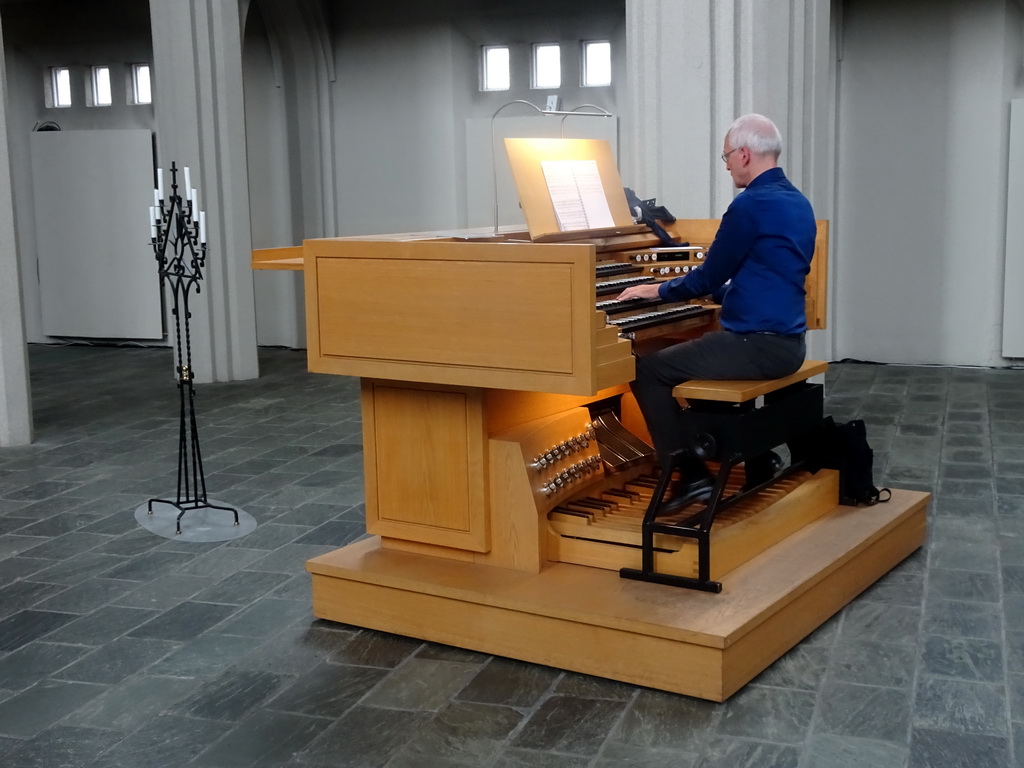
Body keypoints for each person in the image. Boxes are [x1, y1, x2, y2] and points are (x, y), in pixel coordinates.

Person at [616, 113, 816, 513]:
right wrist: (725, 295)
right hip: (788, 343)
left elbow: (705, 278)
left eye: (726, 156)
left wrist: (655, 289)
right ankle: (755, 456)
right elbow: (769, 274)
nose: (725, 165)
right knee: (701, 352)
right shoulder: (798, 201)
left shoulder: (750, 205)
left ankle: (690, 476)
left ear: (744, 154)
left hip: (756, 346)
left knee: (646, 370)